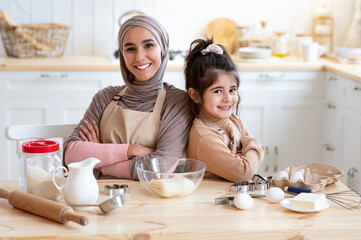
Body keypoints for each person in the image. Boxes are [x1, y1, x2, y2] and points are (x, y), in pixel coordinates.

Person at [63, 15, 194, 179]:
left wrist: (98, 160)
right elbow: (70, 155)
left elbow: (161, 169)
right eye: (130, 49)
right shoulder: (105, 97)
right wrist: (132, 150)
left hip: (150, 199)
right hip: (100, 197)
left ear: (163, 48)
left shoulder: (177, 102)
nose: (140, 57)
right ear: (122, 54)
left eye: (148, 45)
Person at [185, 38, 264, 182]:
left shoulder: (231, 119)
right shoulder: (204, 137)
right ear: (195, 95)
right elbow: (244, 172)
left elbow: (252, 148)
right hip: (208, 201)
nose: (228, 98)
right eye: (218, 91)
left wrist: (247, 152)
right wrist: (251, 146)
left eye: (232, 89)